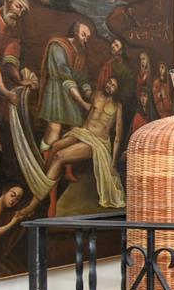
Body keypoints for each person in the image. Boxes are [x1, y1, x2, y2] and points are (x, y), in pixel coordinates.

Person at [28, 76, 126, 217]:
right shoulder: (97, 94)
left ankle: (34, 202)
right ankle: (43, 181)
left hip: (97, 142)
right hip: (82, 132)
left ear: (118, 90)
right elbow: (82, 102)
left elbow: (117, 137)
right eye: (109, 82)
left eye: (113, 85)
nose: (109, 85)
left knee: (59, 156)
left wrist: (114, 162)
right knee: (55, 146)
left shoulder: (118, 106)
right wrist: (71, 85)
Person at [0, 0, 31, 151]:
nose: (19, 13)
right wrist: (5, 91)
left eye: (23, 11)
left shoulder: (13, 29)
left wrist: (19, 80)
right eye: (18, 7)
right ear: (6, 1)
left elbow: (10, 61)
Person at [38, 21, 93, 150]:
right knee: (54, 128)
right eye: (83, 35)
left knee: (74, 131)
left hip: (72, 93)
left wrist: (90, 95)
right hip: (56, 91)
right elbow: (65, 76)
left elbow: (83, 79)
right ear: (75, 32)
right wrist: (83, 103)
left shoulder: (81, 54)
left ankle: (65, 165)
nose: (85, 40)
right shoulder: (58, 46)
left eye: (88, 37)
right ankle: (46, 164)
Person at [0, 184, 30, 278]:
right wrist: (12, 223)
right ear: (4, 192)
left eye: (17, 198)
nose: (14, 200)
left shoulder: (6, 211)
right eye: (12, 195)